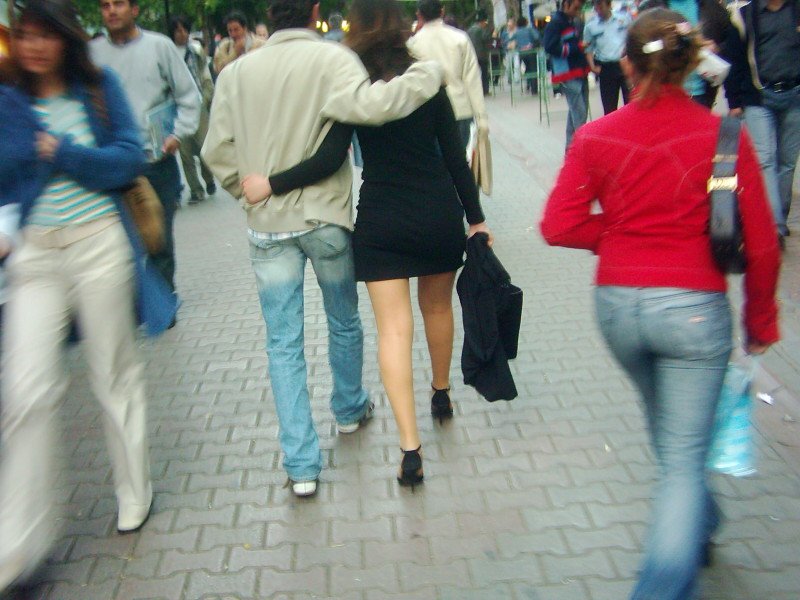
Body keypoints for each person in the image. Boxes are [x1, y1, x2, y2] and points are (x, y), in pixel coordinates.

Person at [541, 9, 780, 600]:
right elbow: (765, 244)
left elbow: (557, 225)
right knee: (680, 456)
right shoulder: (724, 137)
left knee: (670, 432)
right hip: (695, 312)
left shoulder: (596, 136)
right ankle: (663, 586)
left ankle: (702, 523)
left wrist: (620, 238)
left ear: (626, 63)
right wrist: (760, 322)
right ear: (692, 63)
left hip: (619, 311)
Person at [244, 0, 493, 488]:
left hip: (381, 219)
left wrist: (272, 182)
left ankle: (409, 450)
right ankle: (440, 392)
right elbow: (455, 158)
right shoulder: (427, 81)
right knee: (437, 309)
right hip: (436, 211)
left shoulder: (353, 90)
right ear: (403, 25)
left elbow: (328, 157)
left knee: (393, 331)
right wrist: (476, 219)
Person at [201, 0, 444, 497]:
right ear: (314, 11)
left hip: (267, 224)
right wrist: (430, 75)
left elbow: (214, 151)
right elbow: (376, 108)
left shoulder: (236, 72)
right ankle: (351, 407)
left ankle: (302, 465)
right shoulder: (335, 61)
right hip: (326, 218)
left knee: (282, 343)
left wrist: (244, 190)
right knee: (344, 319)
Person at [0, 0, 158, 591]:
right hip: (35, 255)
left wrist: (60, 152)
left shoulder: (97, 87)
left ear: (66, 38)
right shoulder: (8, 101)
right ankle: (18, 546)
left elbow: (127, 159)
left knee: (113, 374)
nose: (34, 46)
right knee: (26, 392)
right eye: (25, 35)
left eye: (46, 34)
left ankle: (134, 491)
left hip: (98, 243)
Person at [91, 0, 200, 300]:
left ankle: (163, 301)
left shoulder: (159, 46)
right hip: (113, 162)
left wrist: (178, 134)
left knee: (158, 237)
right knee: (120, 239)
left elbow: (189, 95)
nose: (111, 11)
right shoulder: (93, 55)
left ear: (134, 9)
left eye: (118, 4)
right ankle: (136, 302)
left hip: (156, 158)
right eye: (105, 5)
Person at [722, 0, 800, 247]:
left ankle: (781, 215)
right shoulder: (744, 17)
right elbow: (733, 59)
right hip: (758, 97)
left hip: (794, 95)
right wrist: (734, 100)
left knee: (787, 161)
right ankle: (774, 225)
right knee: (765, 159)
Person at [408, 0, 489, 150]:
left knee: (436, 167)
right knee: (460, 165)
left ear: (419, 14)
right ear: (442, 11)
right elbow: (472, 80)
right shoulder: (460, 38)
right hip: (460, 110)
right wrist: (481, 117)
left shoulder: (413, 44)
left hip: (427, 114)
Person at [639, 0, 731, 107]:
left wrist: (717, 48)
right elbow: (642, 48)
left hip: (700, 92)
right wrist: (667, 42)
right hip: (662, 92)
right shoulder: (651, 7)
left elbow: (732, 44)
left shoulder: (710, 7)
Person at [168, 15, 216, 205]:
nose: (182, 34)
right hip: (178, 109)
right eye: (178, 30)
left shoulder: (195, 50)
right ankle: (196, 190)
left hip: (199, 105)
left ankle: (209, 178)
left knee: (204, 149)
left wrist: (207, 97)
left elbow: (205, 76)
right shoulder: (169, 54)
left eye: (185, 30)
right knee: (186, 154)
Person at [544, 0, 591, 150]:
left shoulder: (572, 21)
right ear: (566, 5)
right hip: (567, 73)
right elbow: (550, 46)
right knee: (579, 115)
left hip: (579, 71)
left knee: (575, 115)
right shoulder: (555, 23)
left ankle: (570, 152)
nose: (578, 11)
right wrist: (576, 47)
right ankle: (581, 153)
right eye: (576, 8)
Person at [584, 0, 632, 113]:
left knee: (631, 102)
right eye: (596, 6)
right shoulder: (591, 26)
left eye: (601, 6)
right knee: (609, 106)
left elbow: (632, 38)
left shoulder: (624, 19)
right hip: (606, 67)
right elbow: (588, 48)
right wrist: (592, 66)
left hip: (624, 64)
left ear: (609, 5)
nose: (598, 9)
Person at [467, 10, 492, 95]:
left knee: (474, 74)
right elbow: (485, 39)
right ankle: (485, 90)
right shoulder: (481, 29)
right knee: (484, 74)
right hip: (482, 55)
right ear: (483, 22)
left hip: (472, 55)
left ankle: (475, 90)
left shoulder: (470, 30)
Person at [514, 16, 541, 94]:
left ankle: (528, 84)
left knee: (527, 68)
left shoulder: (517, 32)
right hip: (531, 51)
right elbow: (537, 37)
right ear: (526, 22)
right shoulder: (529, 29)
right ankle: (534, 90)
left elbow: (511, 40)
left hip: (521, 53)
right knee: (533, 69)